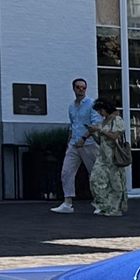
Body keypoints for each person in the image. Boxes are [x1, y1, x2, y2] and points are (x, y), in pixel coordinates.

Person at [52, 77, 93, 211]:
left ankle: (101, 201)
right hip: (74, 144)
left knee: (95, 173)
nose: (81, 90)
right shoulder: (71, 106)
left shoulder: (92, 104)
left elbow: (95, 124)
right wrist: (70, 141)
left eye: (83, 87)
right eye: (78, 87)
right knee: (66, 172)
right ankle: (67, 202)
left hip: (89, 144)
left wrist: (84, 138)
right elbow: (72, 125)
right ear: (73, 88)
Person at [87, 100, 131, 217]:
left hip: (113, 155)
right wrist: (92, 134)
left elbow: (115, 136)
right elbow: (100, 141)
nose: (99, 113)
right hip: (102, 157)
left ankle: (115, 208)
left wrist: (100, 130)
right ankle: (104, 205)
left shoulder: (116, 120)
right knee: (95, 179)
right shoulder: (102, 122)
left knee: (115, 183)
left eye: (101, 110)